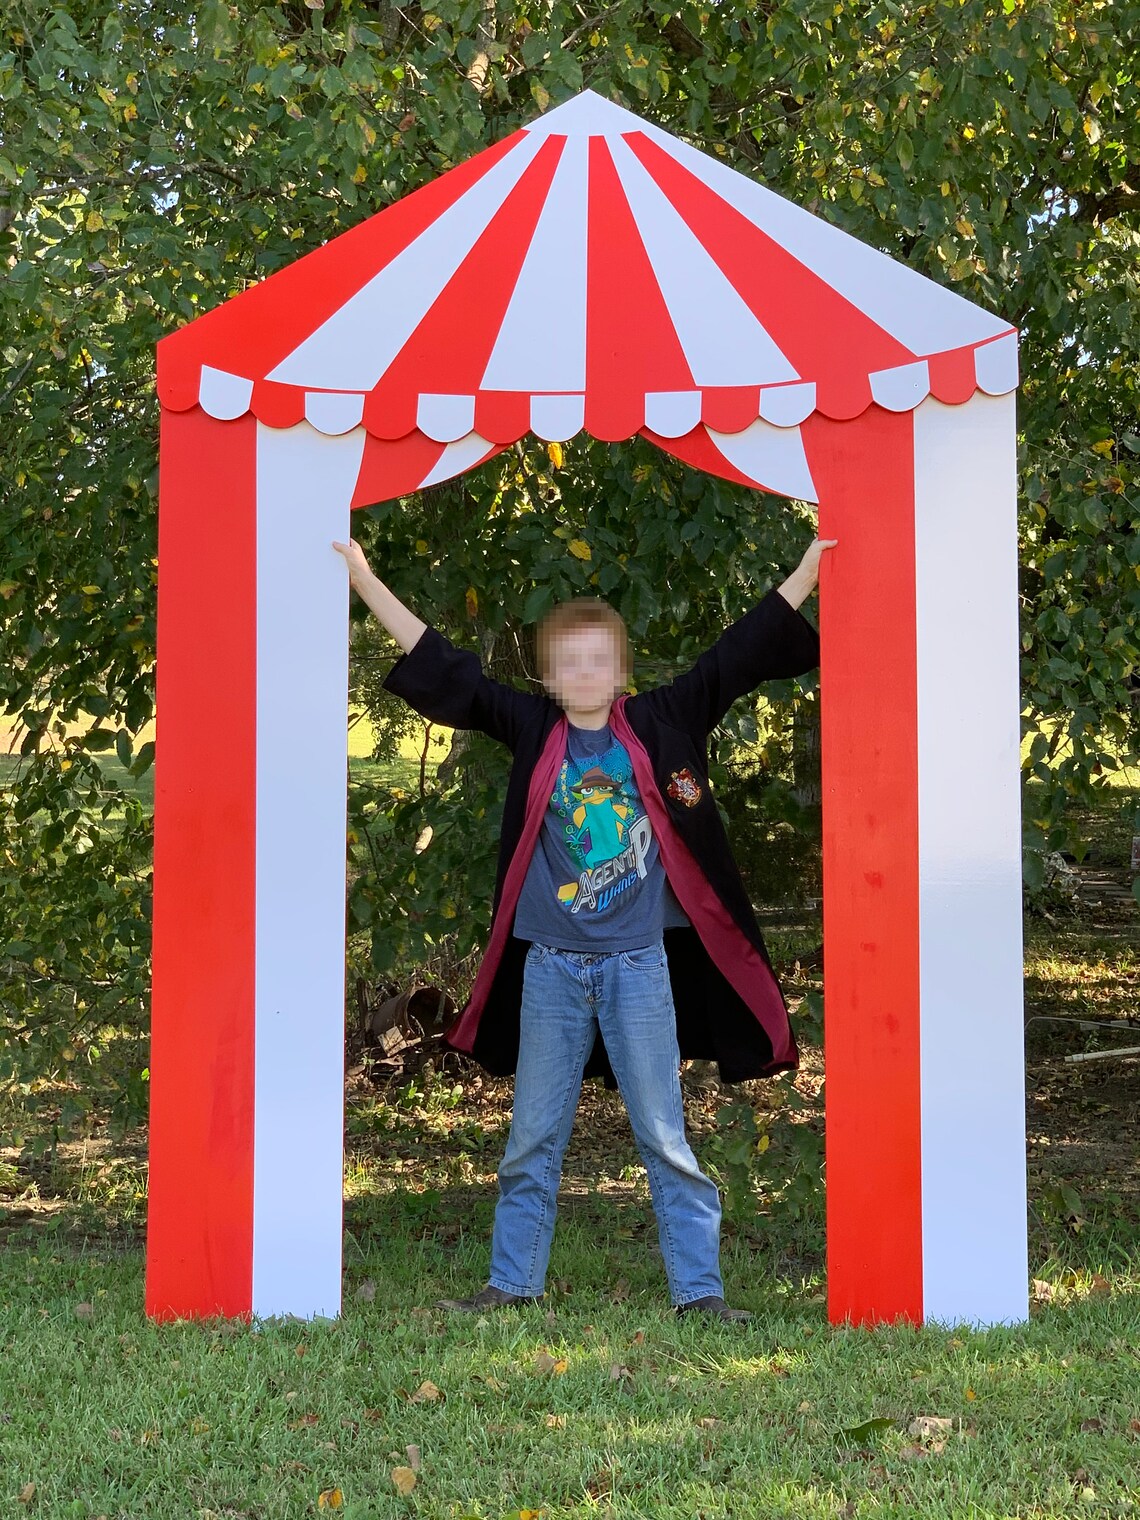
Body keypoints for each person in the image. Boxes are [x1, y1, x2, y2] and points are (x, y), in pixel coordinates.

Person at [332, 532, 836, 1322]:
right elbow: (446, 666)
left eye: (599, 660)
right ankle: (511, 1285)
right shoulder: (535, 731)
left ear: (621, 671)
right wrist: (363, 579)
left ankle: (700, 1295)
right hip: (553, 972)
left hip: (639, 969)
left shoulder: (664, 721)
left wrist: (808, 567)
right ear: (549, 675)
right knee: (531, 1142)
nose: (585, 675)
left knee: (666, 1140)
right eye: (569, 663)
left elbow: (735, 655)